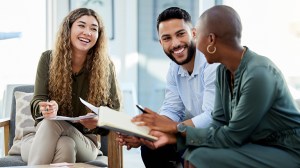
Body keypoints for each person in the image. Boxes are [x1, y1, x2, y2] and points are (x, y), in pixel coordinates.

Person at [143, 5, 300, 168]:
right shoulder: (223, 72)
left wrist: (176, 131)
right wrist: (171, 135)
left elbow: (233, 135)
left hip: (286, 150)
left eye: (198, 36)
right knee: (196, 154)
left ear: (210, 39)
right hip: (253, 143)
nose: (196, 43)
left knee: (201, 157)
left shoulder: (259, 74)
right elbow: (218, 123)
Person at [117, 7, 218, 168]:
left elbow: (210, 117)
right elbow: (172, 109)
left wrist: (168, 128)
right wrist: (145, 134)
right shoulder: (174, 68)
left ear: (193, 33)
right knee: (151, 147)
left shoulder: (212, 63)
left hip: (215, 137)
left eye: (180, 34)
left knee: (194, 152)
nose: (175, 43)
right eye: (167, 38)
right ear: (161, 42)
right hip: (189, 134)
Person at [20, 8, 121, 165]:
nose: (87, 32)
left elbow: (115, 113)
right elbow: (38, 100)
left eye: (93, 29)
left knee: (53, 125)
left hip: (85, 141)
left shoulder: (106, 66)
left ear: (98, 35)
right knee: (65, 145)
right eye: (81, 25)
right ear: (69, 28)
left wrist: (99, 121)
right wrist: (45, 108)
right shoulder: (48, 59)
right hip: (38, 137)